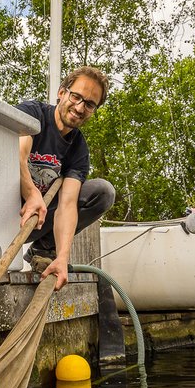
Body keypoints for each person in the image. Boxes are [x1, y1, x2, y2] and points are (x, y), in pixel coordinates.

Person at [16, 66, 116, 290]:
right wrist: (32, 193)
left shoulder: (78, 149)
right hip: (2, 212)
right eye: (76, 96)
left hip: (36, 220)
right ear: (62, 92)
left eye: (90, 104)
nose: (80, 108)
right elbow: (18, 155)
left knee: (102, 192)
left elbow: (68, 204)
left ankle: (43, 250)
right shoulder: (33, 114)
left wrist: (62, 257)